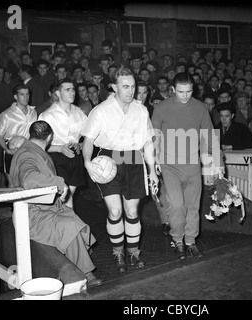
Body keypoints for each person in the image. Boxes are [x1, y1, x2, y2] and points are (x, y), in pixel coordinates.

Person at [81, 67, 158, 274]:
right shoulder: (101, 110)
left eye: (133, 86)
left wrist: (151, 170)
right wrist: (87, 162)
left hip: (134, 158)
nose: (130, 91)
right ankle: (118, 252)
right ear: (114, 87)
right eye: (125, 86)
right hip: (109, 159)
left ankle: (133, 252)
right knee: (115, 211)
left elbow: (148, 143)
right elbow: (88, 140)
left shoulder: (141, 110)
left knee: (132, 211)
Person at [9, 120, 102, 288]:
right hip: (30, 215)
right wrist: (60, 183)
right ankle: (86, 273)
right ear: (50, 137)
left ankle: (79, 263)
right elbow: (29, 179)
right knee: (69, 226)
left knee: (77, 223)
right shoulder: (27, 154)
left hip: (44, 210)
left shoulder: (32, 150)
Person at [151, 72, 223, 260]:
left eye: (189, 91)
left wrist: (218, 163)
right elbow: (154, 137)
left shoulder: (200, 108)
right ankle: (178, 239)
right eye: (181, 92)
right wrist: (154, 160)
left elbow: (210, 137)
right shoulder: (161, 108)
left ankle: (190, 241)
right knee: (176, 205)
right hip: (169, 165)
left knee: (193, 206)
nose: (185, 96)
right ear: (173, 89)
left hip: (192, 164)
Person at [38, 78, 87, 209]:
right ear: (58, 93)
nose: (72, 93)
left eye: (73, 89)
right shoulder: (47, 115)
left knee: (69, 197)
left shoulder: (79, 113)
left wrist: (81, 145)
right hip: (56, 158)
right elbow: (38, 145)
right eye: (67, 90)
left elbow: (90, 136)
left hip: (75, 156)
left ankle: (67, 225)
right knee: (63, 197)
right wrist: (60, 149)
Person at [0, 83, 37, 181]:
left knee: (28, 180)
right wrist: (7, 150)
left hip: (29, 149)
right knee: (13, 182)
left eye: (27, 94)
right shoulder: (6, 114)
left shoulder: (33, 112)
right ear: (15, 96)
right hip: (13, 150)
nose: (26, 97)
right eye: (22, 94)